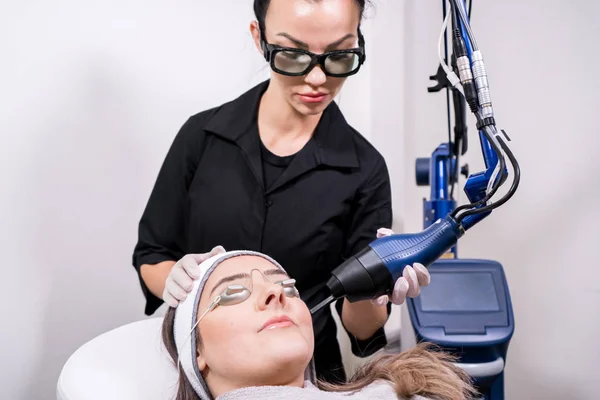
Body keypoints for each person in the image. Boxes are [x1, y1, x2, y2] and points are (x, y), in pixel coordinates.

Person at [132, 0, 430, 383]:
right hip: (211, 369)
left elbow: (361, 330)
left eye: (340, 56)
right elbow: (153, 254)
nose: (318, 79)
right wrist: (181, 281)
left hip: (308, 374)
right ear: (260, 39)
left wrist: (373, 293)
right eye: (292, 55)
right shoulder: (202, 138)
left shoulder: (365, 170)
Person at [161, 250, 477, 400]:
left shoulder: (397, 391)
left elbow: (365, 328)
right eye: (231, 292)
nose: (275, 292)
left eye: (289, 287)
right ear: (195, 350)